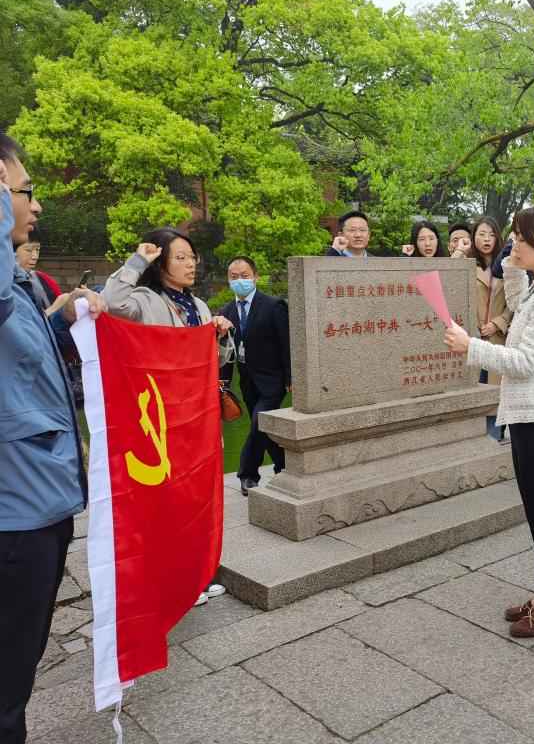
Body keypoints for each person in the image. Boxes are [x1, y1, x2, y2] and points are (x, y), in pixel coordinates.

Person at [1, 135, 106, 744]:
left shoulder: (18, 288)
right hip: (15, 516)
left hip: (39, 501)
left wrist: (60, 320)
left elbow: (21, 357)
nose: (35, 205)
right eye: (24, 191)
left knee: (18, 670)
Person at [442, 202, 534, 639]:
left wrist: (470, 347)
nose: (514, 245)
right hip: (529, 419)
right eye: (514, 238)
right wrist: (512, 259)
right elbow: (519, 298)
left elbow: (525, 361)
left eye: (522, 240)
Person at [103, 227, 234, 606]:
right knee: (169, 503)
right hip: (163, 420)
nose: (190, 264)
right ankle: (173, 582)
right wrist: (137, 260)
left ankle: (199, 575)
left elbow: (215, 362)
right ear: (160, 264)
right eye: (180, 257)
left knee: (199, 499)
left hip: (199, 417)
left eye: (192, 257)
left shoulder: (200, 306)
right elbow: (111, 303)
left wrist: (222, 335)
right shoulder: (145, 301)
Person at [219, 256, 291, 497]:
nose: (239, 280)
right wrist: (223, 382)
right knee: (264, 428)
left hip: (274, 380)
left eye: (245, 276)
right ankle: (285, 466)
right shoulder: (227, 311)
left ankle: (248, 474)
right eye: (234, 277)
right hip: (247, 380)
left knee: (258, 423)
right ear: (228, 279)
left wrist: (291, 378)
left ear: (256, 278)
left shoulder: (273, 305)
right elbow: (225, 351)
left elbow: (286, 344)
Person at [452, 216, 513, 440]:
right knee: (470, 393)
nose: (486, 239)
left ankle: (494, 441)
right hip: (470, 338)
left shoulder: (508, 264)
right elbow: (448, 277)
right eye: (481, 234)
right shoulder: (467, 263)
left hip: (498, 338)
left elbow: (515, 302)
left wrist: (498, 323)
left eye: (491, 234)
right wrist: (460, 249)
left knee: (494, 398)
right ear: (473, 237)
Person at [14, 224, 61, 311]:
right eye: (28, 250)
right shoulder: (5, 288)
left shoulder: (43, 278)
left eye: (37, 249)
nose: (35, 256)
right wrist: (55, 308)